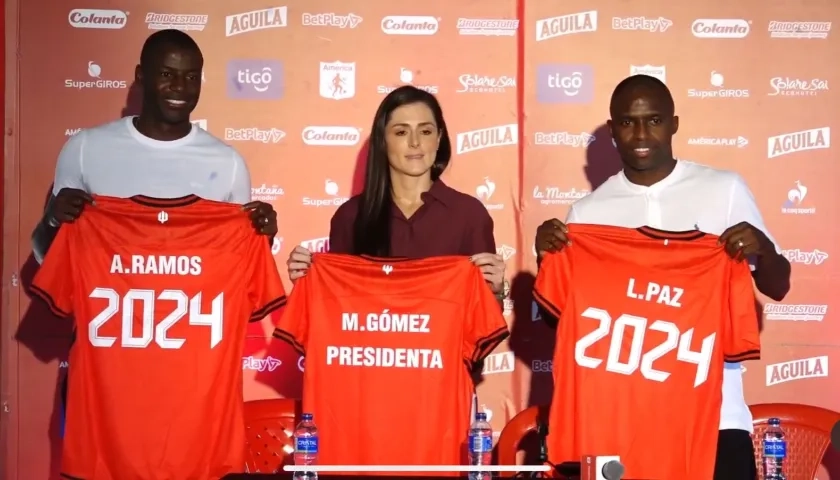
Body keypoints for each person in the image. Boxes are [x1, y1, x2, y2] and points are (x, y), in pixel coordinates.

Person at [534, 74, 790, 480]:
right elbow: (566, 322)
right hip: (617, 426)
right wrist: (546, 258)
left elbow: (778, 285)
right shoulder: (587, 214)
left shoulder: (724, 189)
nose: (641, 134)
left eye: (653, 121)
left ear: (673, 123)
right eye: (627, 122)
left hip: (716, 418)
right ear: (613, 130)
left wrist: (765, 250)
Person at [31, 29, 277, 264]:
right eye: (167, 75)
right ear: (141, 76)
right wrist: (52, 220)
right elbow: (46, 256)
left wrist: (263, 238)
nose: (180, 87)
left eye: (191, 77)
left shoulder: (228, 163)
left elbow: (239, 264)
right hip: (103, 306)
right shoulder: (84, 148)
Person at [286, 85, 505, 297]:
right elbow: (336, 307)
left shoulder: (469, 214)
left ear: (439, 139)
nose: (415, 142)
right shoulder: (350, 216)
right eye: (401, 132)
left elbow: (486, 321)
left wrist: (494, 292)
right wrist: (309, 282)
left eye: (426, 131)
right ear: (383, 140)